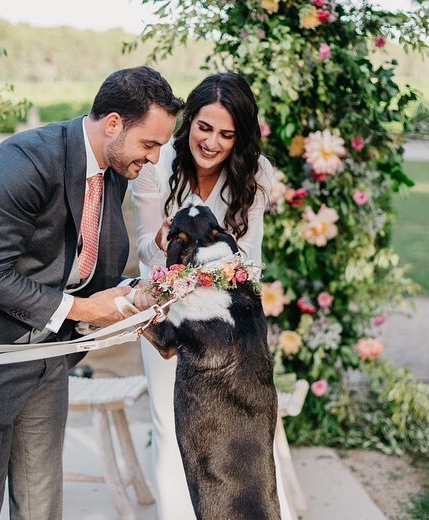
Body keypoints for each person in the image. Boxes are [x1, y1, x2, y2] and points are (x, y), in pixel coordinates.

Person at [0, 66, 183, 520]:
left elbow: (81, 264)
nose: (153, 157)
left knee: (42, 500)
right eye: (149, 144)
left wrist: (133, 296)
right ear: (112, 124)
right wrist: (84, 308)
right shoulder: (25, 160)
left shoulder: (114, 169)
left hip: (49, 352)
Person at [131, 72, 295, 520]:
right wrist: (164, 238)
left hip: (232, 321)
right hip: (171, 313)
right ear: (190, 123)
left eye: (227, 134)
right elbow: (146, 249)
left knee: (249, 426)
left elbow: (250, 257)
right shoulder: (156, 164)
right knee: (172, 426)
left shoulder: (255, 174)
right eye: (205, 128)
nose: (213, 143)